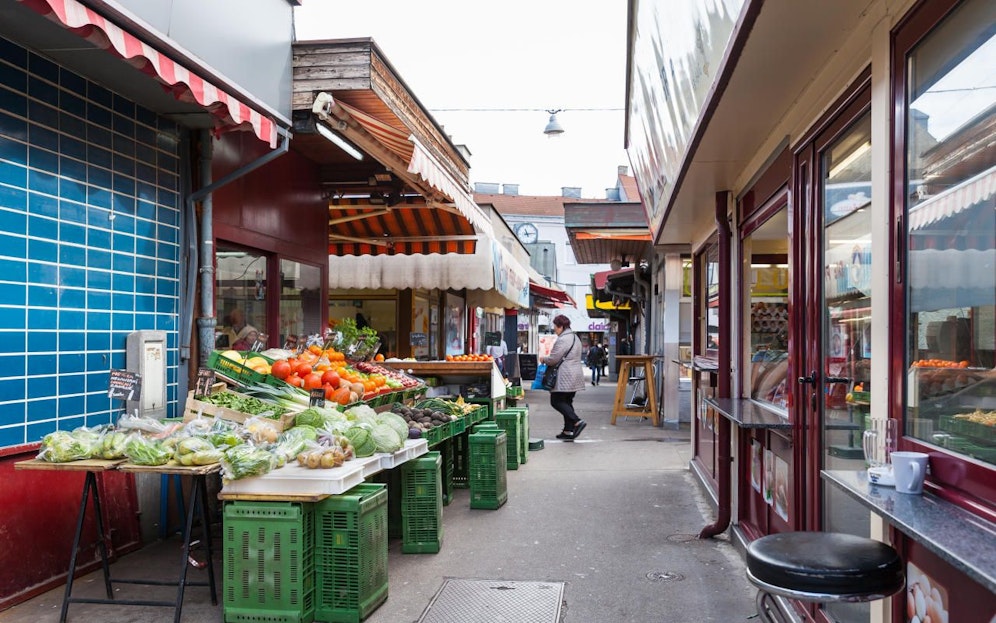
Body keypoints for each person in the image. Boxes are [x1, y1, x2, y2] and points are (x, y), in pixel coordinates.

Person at [540, 315, 587, 440]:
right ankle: (568, 430)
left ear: (561, 326)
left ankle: (577, 421)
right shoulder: (575, 338)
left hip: (565, 376)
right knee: (567, 402)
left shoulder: (563, 339)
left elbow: (554, 359)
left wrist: (543, 359)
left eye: (555, 326)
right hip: (575, 376)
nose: (554, 329)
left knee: (556, 401)